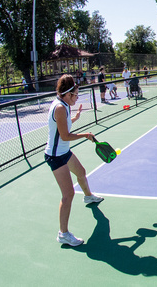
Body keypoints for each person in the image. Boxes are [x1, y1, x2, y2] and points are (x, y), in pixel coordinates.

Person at [44, 74, 103, 246]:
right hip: (56, 156)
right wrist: (85, 135)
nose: (77, 98)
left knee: (82, 173)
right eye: (76, 95)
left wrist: (75, 117)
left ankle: (88, 197)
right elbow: (64, 135)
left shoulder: (65, 105)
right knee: (68, 194)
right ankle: (63, 234)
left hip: (64, 152)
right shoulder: (60, 108)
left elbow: (65, 124)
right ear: (68, 94)